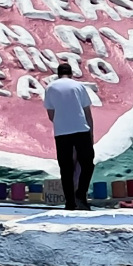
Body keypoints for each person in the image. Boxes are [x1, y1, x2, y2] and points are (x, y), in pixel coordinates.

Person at [45, 58, 97, 209]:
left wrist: (62, 123)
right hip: (81, 128)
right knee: (87, 164)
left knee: (65, 167)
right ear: (71, 74)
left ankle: (69, 202)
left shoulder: (50, 87)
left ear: (58, 74)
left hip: (62, 132)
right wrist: (91, 133)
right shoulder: (78, 86)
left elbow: (50, 114)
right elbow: (87, 112)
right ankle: (81, 194)